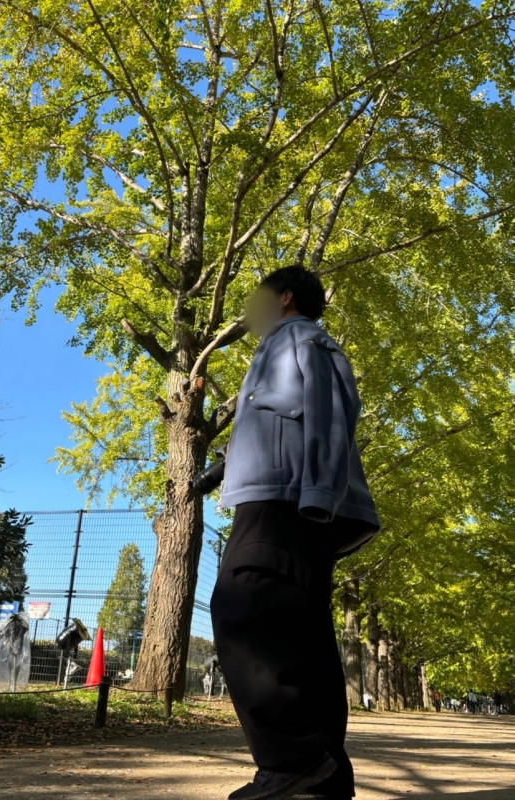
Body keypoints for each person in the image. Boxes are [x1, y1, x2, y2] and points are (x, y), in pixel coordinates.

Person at [210, 266, 381, 800]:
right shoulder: (279, 348)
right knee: (300, 636)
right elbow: (282, 421)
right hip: (284, 498)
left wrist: (319, 501)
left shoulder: (302, 338)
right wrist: (223, 464)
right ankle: (325, 777)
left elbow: (332, 416)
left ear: (284, 298)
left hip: (286, 502)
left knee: (243, 608)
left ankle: (294, 760)